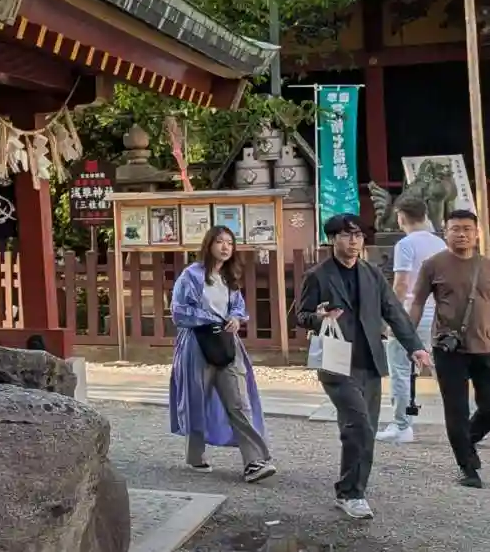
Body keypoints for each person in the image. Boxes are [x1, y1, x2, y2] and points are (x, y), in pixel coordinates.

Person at [296, 213, 433, 519]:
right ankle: (351, 494)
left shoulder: (371, 273)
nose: (354, 241)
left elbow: (394, 311)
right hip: (336, 361)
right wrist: (319, 318)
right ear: (333, 239)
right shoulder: (318, 275)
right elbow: (301, 315)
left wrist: (415, 347)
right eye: (346, 235)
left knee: (364, 429)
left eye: (358, 235)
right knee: (358, 426)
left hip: (369, 361)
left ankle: (352, 487)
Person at [170, 226, 275, 481]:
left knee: (239, 401)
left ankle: (254, 461)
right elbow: (178, 311)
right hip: (198, 343)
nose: (226, 247)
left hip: (227, 344)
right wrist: (212, 318)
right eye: (220, 241)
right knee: (197, 399)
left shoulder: (229, 277)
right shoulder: (191, 276)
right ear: (209, 245)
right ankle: (195, 454)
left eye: (229, 242)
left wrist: (236, 319)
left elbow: (239, 308)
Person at [408, 206, 490, 489]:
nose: (461, 234)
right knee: (456, 409)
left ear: (476, 233)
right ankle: (467, 466)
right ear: (445, 233)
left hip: (485, 346)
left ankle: (467, 441)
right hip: (448, 348)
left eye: (467, 229)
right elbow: (417, 301)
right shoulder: (433, 264)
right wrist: (408, 337)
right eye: (455, 229)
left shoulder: (486, 265)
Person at [378, 196, 443, 445]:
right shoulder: (439, 243)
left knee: (401, 371)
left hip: (410, 315)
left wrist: (393, 317)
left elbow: (402, 284)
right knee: (444, 371)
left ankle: (402, 425)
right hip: (436, 315)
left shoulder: (405, 245)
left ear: (401, 217)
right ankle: (468, 421)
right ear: (425, 215)